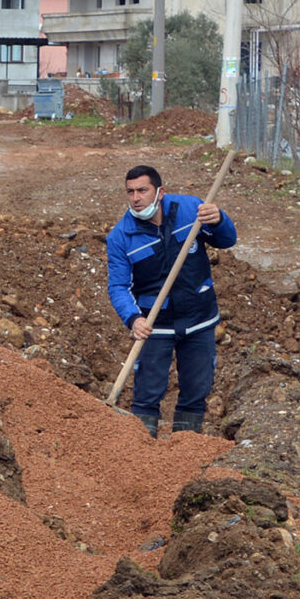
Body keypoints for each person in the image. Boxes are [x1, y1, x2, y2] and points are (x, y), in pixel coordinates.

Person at [105, 164, 235, 437]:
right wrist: (133, 318)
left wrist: (219, 220)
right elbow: (118, 286)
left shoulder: (192, 210)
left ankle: (185, 447)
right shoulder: (121, 236)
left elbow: (227, 240)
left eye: (142, 190)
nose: (136, 198)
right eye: (130, 192)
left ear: (159, 192)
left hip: (199, 318)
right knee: (147, 393)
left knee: (196, 389)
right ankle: (142, 448)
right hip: (155, 325)